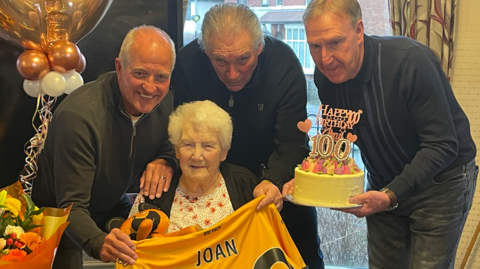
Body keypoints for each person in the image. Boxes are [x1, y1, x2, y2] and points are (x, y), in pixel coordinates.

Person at [297, 0, 478, 268]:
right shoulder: (326, 77)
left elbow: (442, 144)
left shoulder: (410, 62)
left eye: (335, 43)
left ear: (358, 31)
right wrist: (305, 184)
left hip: (440, 185)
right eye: (315, 46)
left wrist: (392, 193)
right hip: (383, 182)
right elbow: (337, 138)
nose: (325, 59)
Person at [171, 3, 325, 268]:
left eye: (243, 59)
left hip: (278, 181)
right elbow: (173, 134)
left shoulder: (284, 64)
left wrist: (273, 180)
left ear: (259, 47)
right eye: (220, 60)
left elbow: (292, 143)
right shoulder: (186, 64)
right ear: (205, 51)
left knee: (303, 257)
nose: (232, 73)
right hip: (209, 189)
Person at [30, 25, 178, 268]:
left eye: (161, 77)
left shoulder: (164, 100)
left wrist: (165, 159)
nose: (151, 87)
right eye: (140, 74)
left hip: (111, 201)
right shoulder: (79, 117)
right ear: (119, 67)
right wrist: (99, 243)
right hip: (57, 219)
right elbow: (71, 206)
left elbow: (168, 142)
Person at [144, 100, 260, 231]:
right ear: (176, 150)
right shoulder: (156, 187)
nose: (196, 156)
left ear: (223, 152)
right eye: (188, 144)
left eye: (208, 146)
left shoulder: (244, 183)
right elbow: (133, 244)